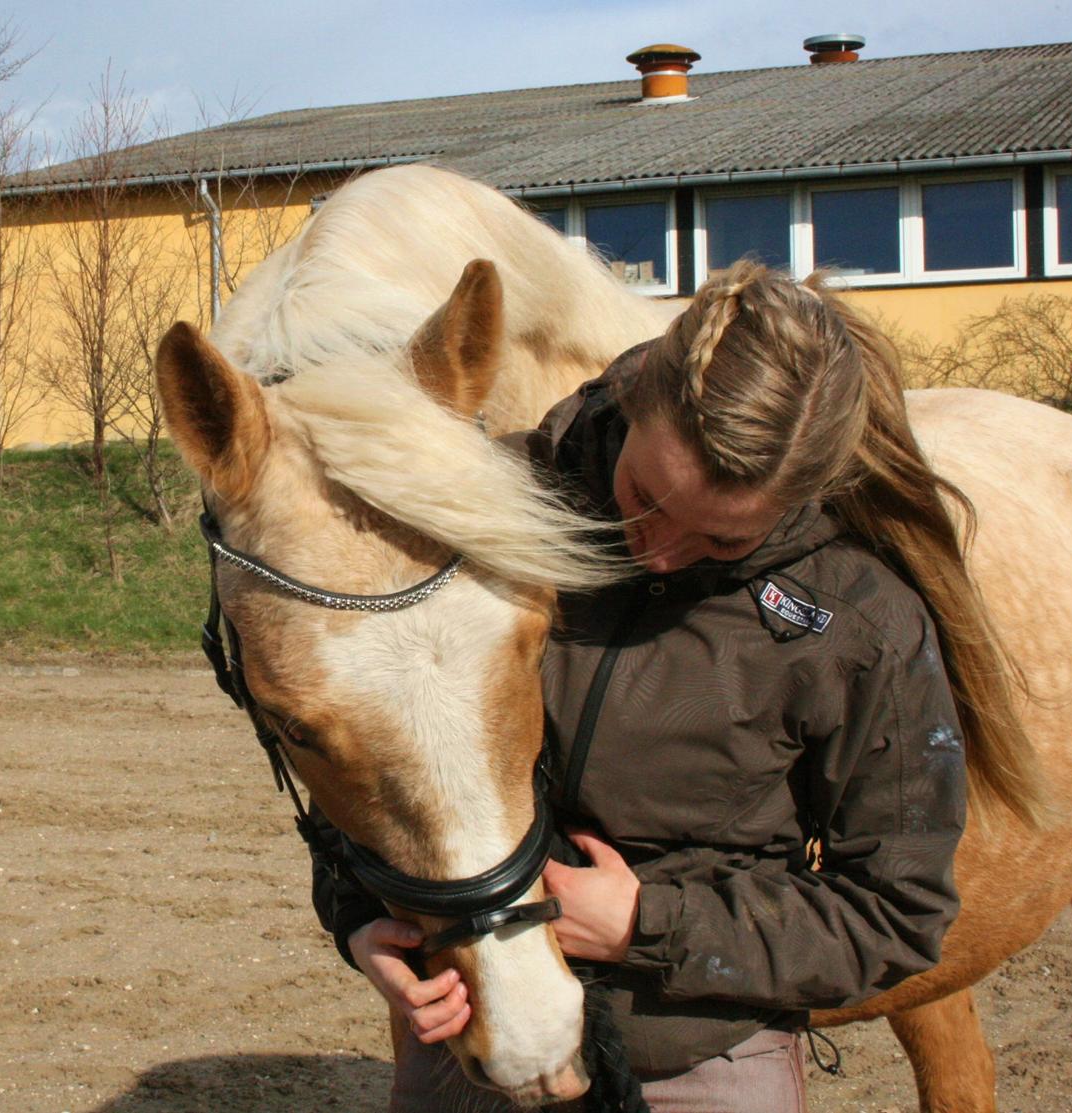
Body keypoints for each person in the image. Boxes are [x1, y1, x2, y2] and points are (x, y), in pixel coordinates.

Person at [312, 260, 1029, 1111]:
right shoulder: (492, 509)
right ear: (639, 396)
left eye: (722, 544)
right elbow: (370, 759)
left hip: (701, 1057)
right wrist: (362, 921)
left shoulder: (857, 623)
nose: (657, 550)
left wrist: (644, 923)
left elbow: (898, 915)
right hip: (469, 1035)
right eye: (641, 496)